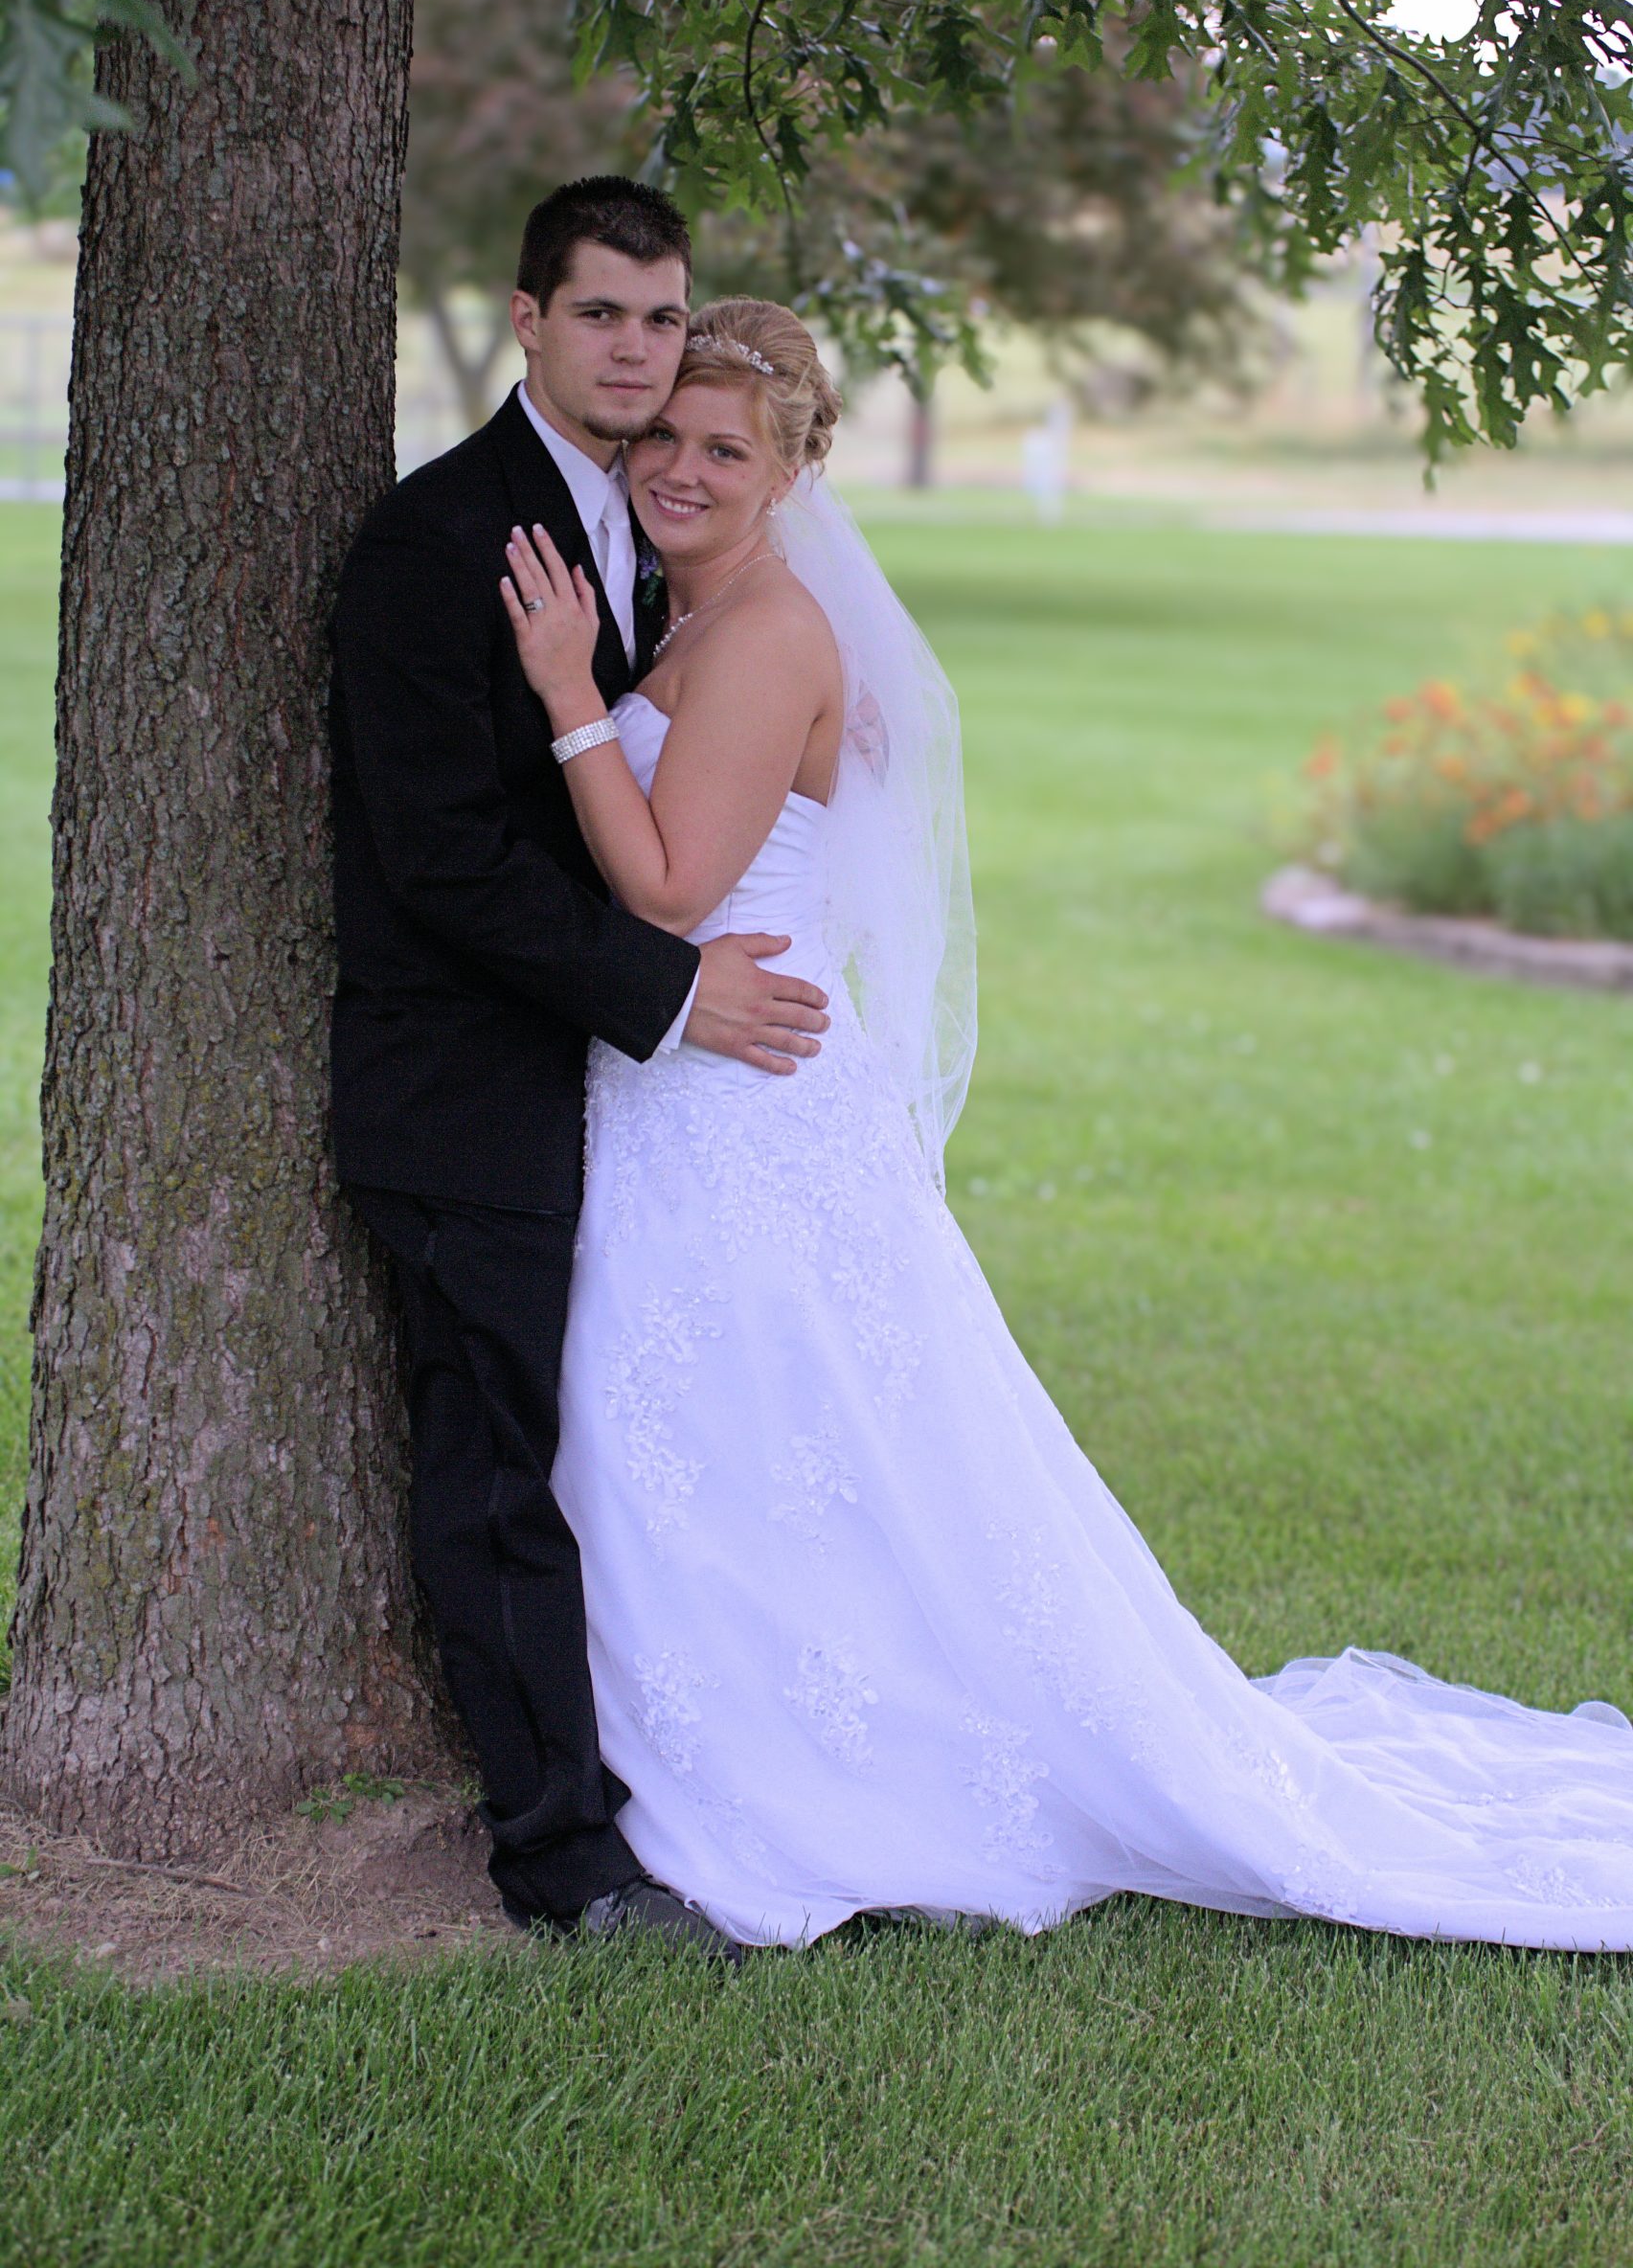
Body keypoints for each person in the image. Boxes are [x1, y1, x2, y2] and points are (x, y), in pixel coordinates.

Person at [500, 293, 1633, 1954]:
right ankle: (756, 1722)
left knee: (747, 1421)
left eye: (723, 446)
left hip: (738, 1096)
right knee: (760, 1435)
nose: (678, 465)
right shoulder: (696, 621)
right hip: (704, 1087)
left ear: (797, 467)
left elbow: (667, 882)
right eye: (661, 432)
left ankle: (811, 1761)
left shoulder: (759, 633)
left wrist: (561, 697)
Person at [328, 182, 828, 1950]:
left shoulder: (654, 534)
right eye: (602, 314)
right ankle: (564, 1863)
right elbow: (442, 859)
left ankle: (723, 1783)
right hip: (468, 1094)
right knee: (497, 1478)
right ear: (527, 317)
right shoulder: (434, 540)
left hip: (621, 1108)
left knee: (632, 1462)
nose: (635, 348)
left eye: (660, 317)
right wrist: (674, 993)